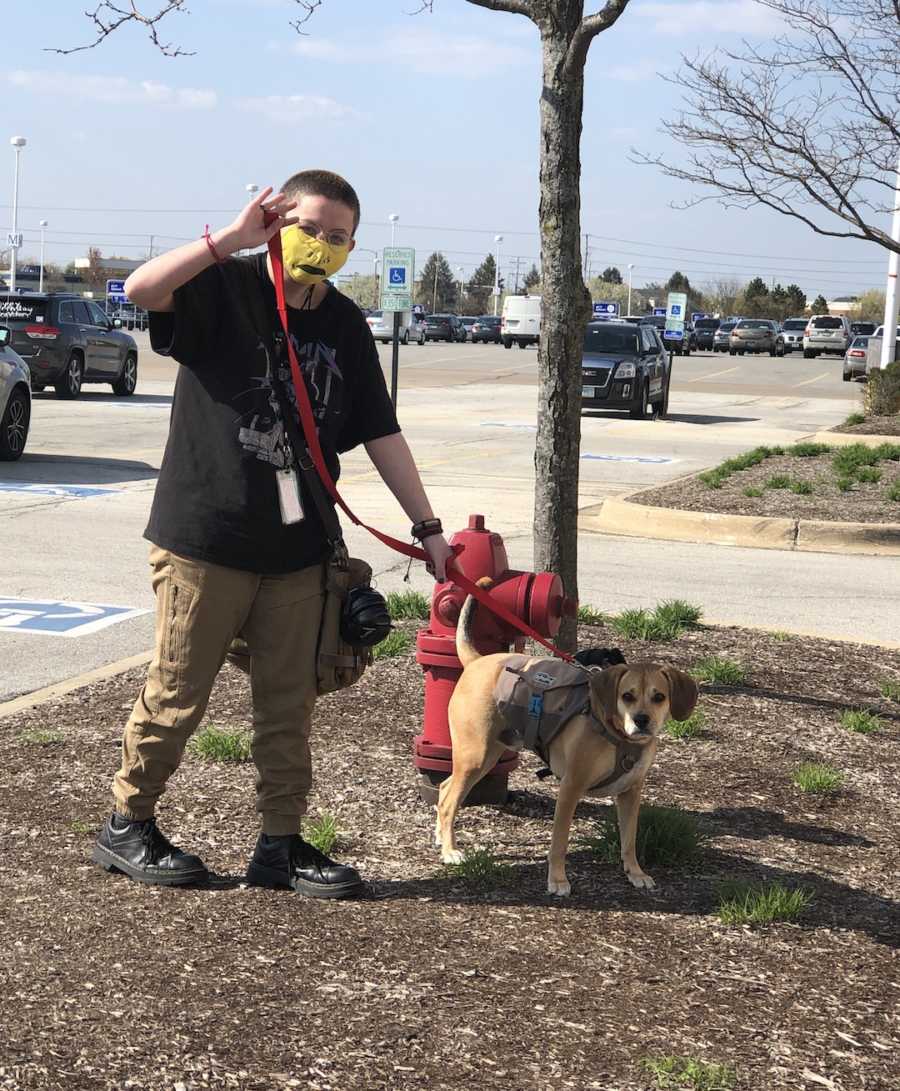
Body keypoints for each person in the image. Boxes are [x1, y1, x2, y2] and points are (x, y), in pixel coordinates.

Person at [92, 169, 454, 898]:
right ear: (277, 218)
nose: (320, 244)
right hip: (207, 539)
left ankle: (280, 844)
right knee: (178, 690)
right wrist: (227, 240)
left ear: (353, 246)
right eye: (309, 227)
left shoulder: (346, 324)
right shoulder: (224, 285)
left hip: (298, 551)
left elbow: (381, 433)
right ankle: (127, 823)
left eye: (337, 236)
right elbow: (137, 291)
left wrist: (429, 530)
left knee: (289, 702)